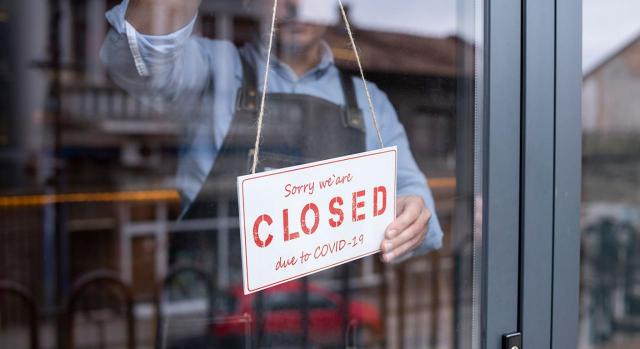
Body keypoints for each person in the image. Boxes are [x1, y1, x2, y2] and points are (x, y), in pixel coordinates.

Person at [100, 0, 442, 263]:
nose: (294, 3)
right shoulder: (210, 69)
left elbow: (412, 195)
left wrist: (413, 216)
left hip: (323, 319)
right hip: (212, 314)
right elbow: (138, 56)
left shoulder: (369, 101)